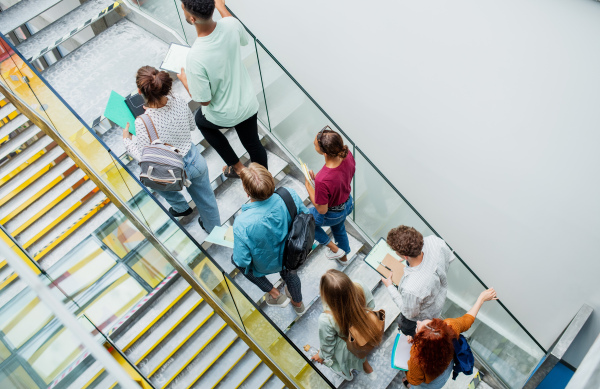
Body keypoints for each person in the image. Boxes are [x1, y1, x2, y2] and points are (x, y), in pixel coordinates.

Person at [177, 0, 268, 179]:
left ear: (192, 18)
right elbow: (243, 37)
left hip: (226, 114)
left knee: (200, 120)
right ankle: (264, 185)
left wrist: (185, 80)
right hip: (248, 104)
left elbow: (204, 100)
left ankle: (238, 168)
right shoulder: (231, 24)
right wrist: (221, 7)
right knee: (254, 144)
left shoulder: (195, 57)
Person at [123, 66, 220, 233]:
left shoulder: (142, 122)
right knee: (208, 201)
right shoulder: (179, 100)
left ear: (140, 92)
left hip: (170, 173)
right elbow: (191, 126)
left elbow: (144, 158)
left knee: (151, 177)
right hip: (195, 161)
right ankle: (214, 230)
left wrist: (127, 140)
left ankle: (180, 206)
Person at [232, 163, 307, 315]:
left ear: (247, 192)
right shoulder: (289, 195)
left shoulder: (242, 224)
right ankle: (298, 304)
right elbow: (306, 218)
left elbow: (242, 261)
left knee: (235, 260)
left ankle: (275, 294)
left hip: (265, 264)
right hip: (291, 256)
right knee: (291, 275)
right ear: (271, 182)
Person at [403, 288, 498, 388]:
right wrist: (481, 299)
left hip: (429, 382)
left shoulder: (417, 360)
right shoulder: (449, 328)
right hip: (444, 372)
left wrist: (412, 348)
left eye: (418, 328)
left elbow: (414, 380)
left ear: (421, 344)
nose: (418, 322)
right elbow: (467, 320)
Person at [381, 226, 455, 336]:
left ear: (405, 256)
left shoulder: (411, 289)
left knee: (407, 327)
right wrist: (409, 262)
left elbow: (409, 314)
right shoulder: (436, 242)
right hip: (437, 303)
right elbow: (449, 258)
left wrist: (390, 287)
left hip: (420, 319)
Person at [311, 270, 379, 381]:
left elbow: (327, 344)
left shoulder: (326, 319)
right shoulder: (359, 285)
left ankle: (346, 373)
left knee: (340, 357)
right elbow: (371, 306)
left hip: (348, 344)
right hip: (366, 332)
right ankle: (368, 370)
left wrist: (321, 356)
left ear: (325, 293)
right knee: (360, 352)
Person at [304, 126, 355, 265]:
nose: (313, 144)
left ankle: (335, 250)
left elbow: (322, 210)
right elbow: (339, 178)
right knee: (339, 229)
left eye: (315, 144)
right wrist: (318, 185)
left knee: (304, 221)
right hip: (348, 203)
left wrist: (309, 187)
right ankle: (344, 258)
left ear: (325, 152)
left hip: (332, 213)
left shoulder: (323, 178)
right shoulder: (347, 154)